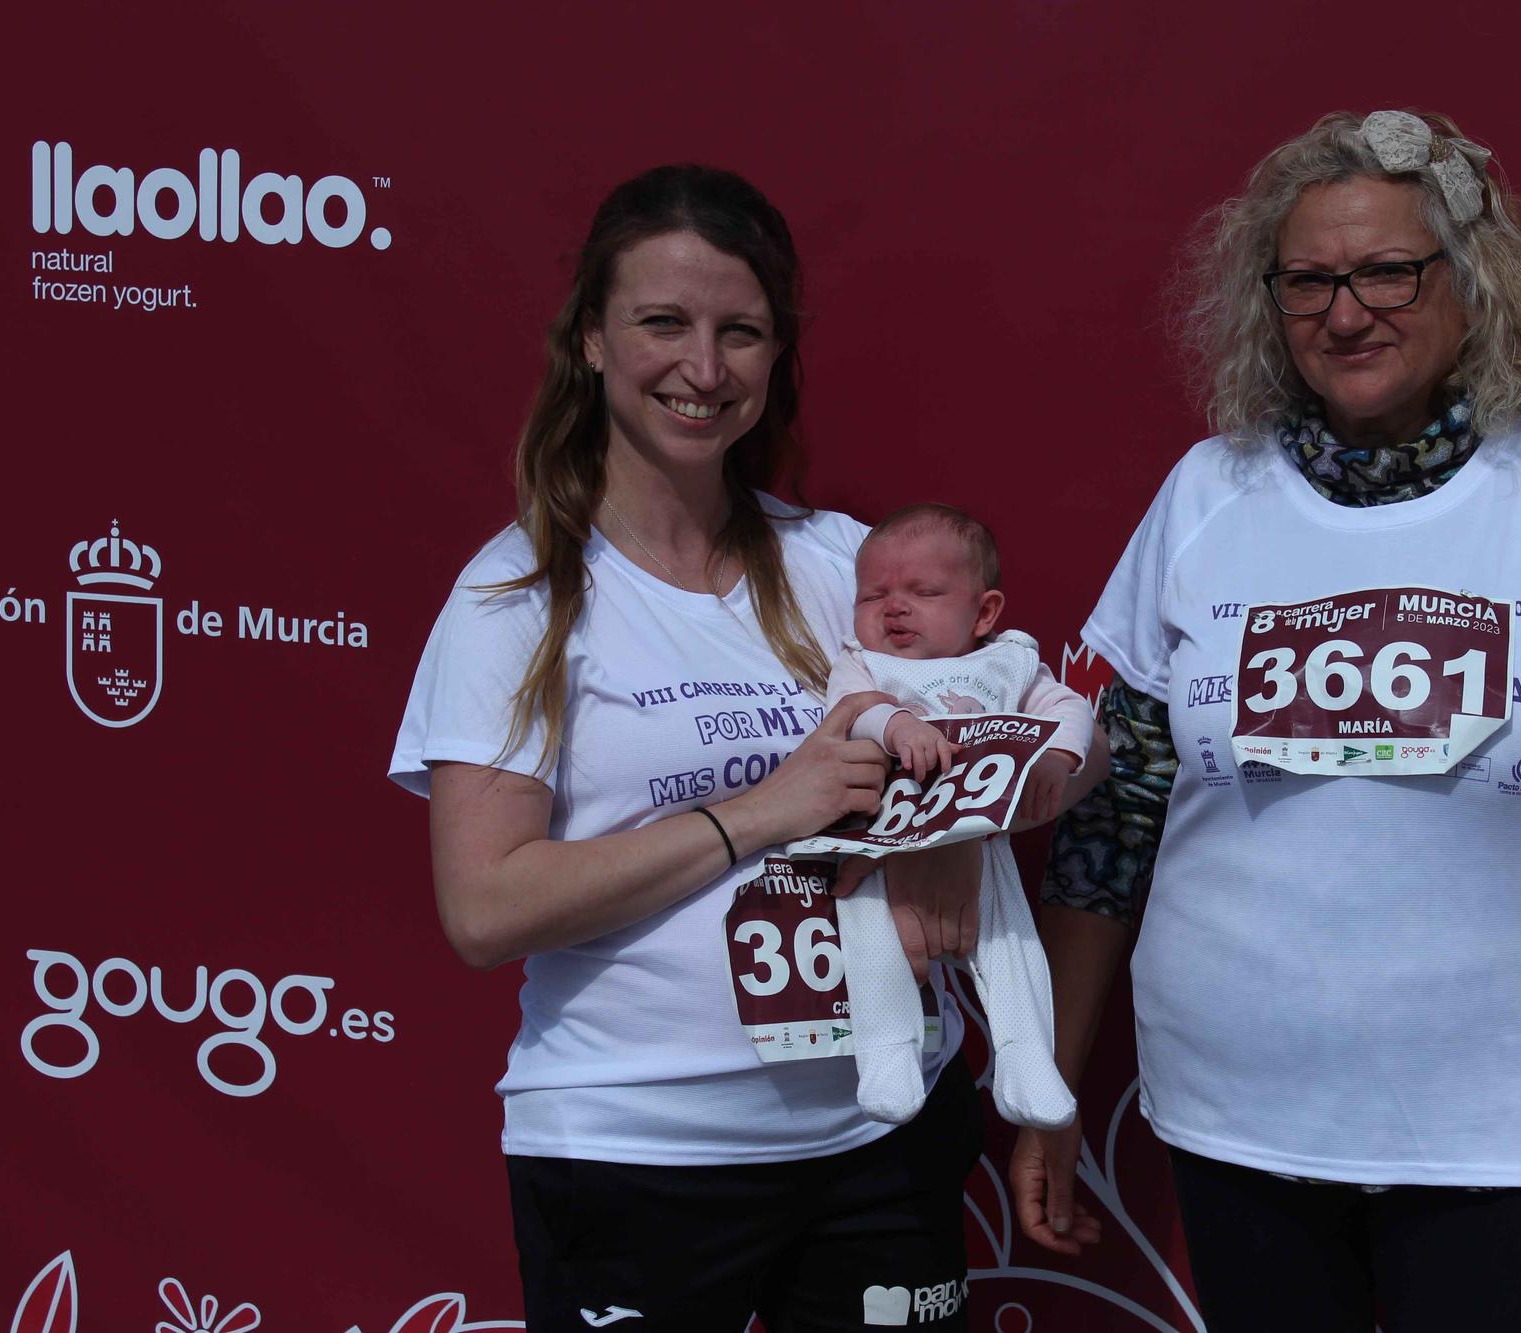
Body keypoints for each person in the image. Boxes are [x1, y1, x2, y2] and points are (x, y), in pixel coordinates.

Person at [1009, 110, 1521, 1331]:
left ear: (1468, 280)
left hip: (1498, 1129)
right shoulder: (1203, 494)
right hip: (1234, 1116)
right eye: (1307, 281)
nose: (1346, 314)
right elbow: (1111, 826)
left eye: (1387, 271)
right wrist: (1046, 1082)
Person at [388, 165, 1087, 1332]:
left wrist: (981, 815)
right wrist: (759, 811)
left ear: (776, 357)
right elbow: (485, 909)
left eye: (740, 332)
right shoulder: (515, 597)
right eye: (663, 323)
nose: (702, 370)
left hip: (881, 1136)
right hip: (635, 1151)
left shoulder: (846, 567)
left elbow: (1064, 728)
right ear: (591, 342)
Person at [825, 503, 1092, 1129]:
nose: (893, 608)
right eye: (874, 595)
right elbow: (848, 710)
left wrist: (1059, 756)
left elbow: (1069, 707)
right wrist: (894, 721)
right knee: (869, 936)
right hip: (881, 842)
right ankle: (888, 1055)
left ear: (985, 612)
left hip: (979, 836)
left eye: (924, 592)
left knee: (1011, 943)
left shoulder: (1009, 662)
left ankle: (1028, 1061)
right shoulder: (864, 664)